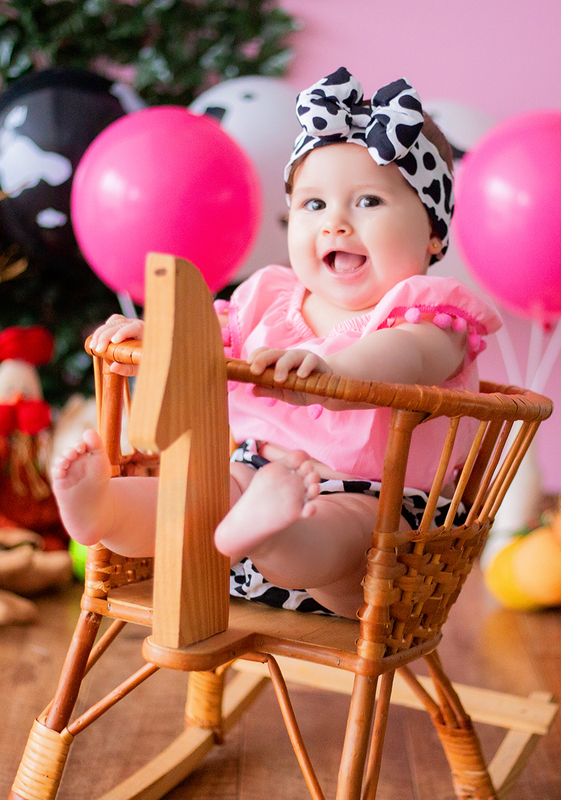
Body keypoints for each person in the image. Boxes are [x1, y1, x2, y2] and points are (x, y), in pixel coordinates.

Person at [52, 67, 501, 618]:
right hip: (244, 487)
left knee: (345, 542)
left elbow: (406, 356)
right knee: (192, 495)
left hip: (372, 511)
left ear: (433, 233)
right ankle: (105, 509)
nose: (335, 223)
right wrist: (159, 333)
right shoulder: (267, 296)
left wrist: (332, 373)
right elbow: (207, 340)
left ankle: (274, 535)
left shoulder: (431, 313)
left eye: (368, 202)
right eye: (314, 205)